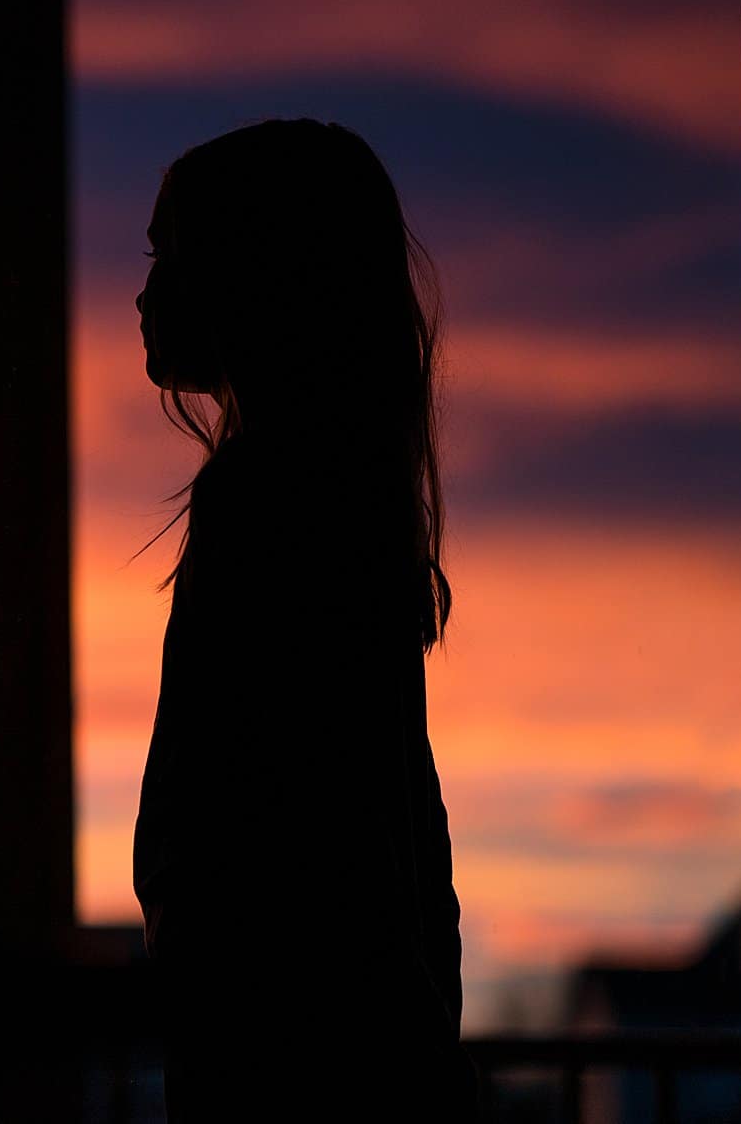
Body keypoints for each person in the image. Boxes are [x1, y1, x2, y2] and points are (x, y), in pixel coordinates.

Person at [131, 119, 477, 1120]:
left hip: (286, 1067)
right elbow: (409, 838)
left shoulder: (264, 510)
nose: (144, 290)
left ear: (255, 276)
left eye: (171, 254)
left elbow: (280, 837)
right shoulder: (344, 508)